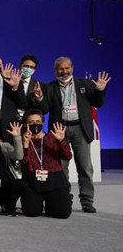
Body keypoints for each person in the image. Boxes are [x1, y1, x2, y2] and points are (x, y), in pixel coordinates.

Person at [32, 57, 110, 213]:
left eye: (67, 68)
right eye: (61, 69)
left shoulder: (85, 84)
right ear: (55, 70)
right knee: (61, 167)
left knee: (85, 167)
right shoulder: (50, 87)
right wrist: (40, 98)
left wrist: (100, 90)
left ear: (72, 68)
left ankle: (87, 201)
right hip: (59, 130)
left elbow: (98, 103)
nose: (64, 71)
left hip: (80, 128)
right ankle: (64, 197)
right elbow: (45, 110)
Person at [19, 110, 72, 219]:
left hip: (54, 179)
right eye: (31, 122)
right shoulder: (23, 140)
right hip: (33, 180)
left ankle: (55, 201)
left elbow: (67, 156)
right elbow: (24, 165)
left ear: (43, 123)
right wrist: (25, 146)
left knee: (62, 213)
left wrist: (62, 141)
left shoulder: (53, 137)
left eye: (38, 121)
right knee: (31, 212)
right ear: (25, 125)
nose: (35, 124)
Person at [18, 54, 40, 119]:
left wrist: (39, 98)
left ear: (34, 70)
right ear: (20, 66)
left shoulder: (39, 86)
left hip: (30, 121)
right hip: (11, 119)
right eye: (26, 66)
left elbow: (44, 109)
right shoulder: (10, 81)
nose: (28, 69)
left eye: (31, 67)